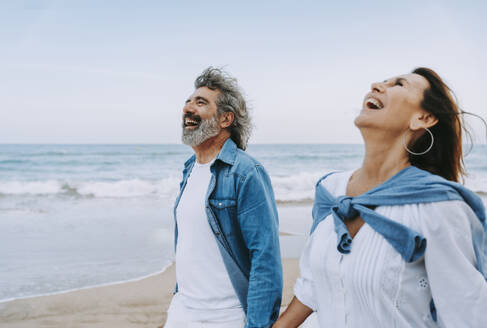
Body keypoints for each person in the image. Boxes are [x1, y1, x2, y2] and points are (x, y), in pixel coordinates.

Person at [274, 67, 487, 327]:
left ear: (423, 117)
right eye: (383, 81)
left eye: (399, 84)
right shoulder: (331, 191)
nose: (376, 85)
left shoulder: (439, 206)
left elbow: (466, 316)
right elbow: (311, 284)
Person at [165, 67, 282, 328]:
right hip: (183, 311)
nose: (188, 108)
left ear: (225, 119)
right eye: (188, 101)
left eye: (201, 102)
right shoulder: (189, 168)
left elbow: (265, 257)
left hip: (225, 316)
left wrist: (258, 324)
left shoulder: (246, 172)